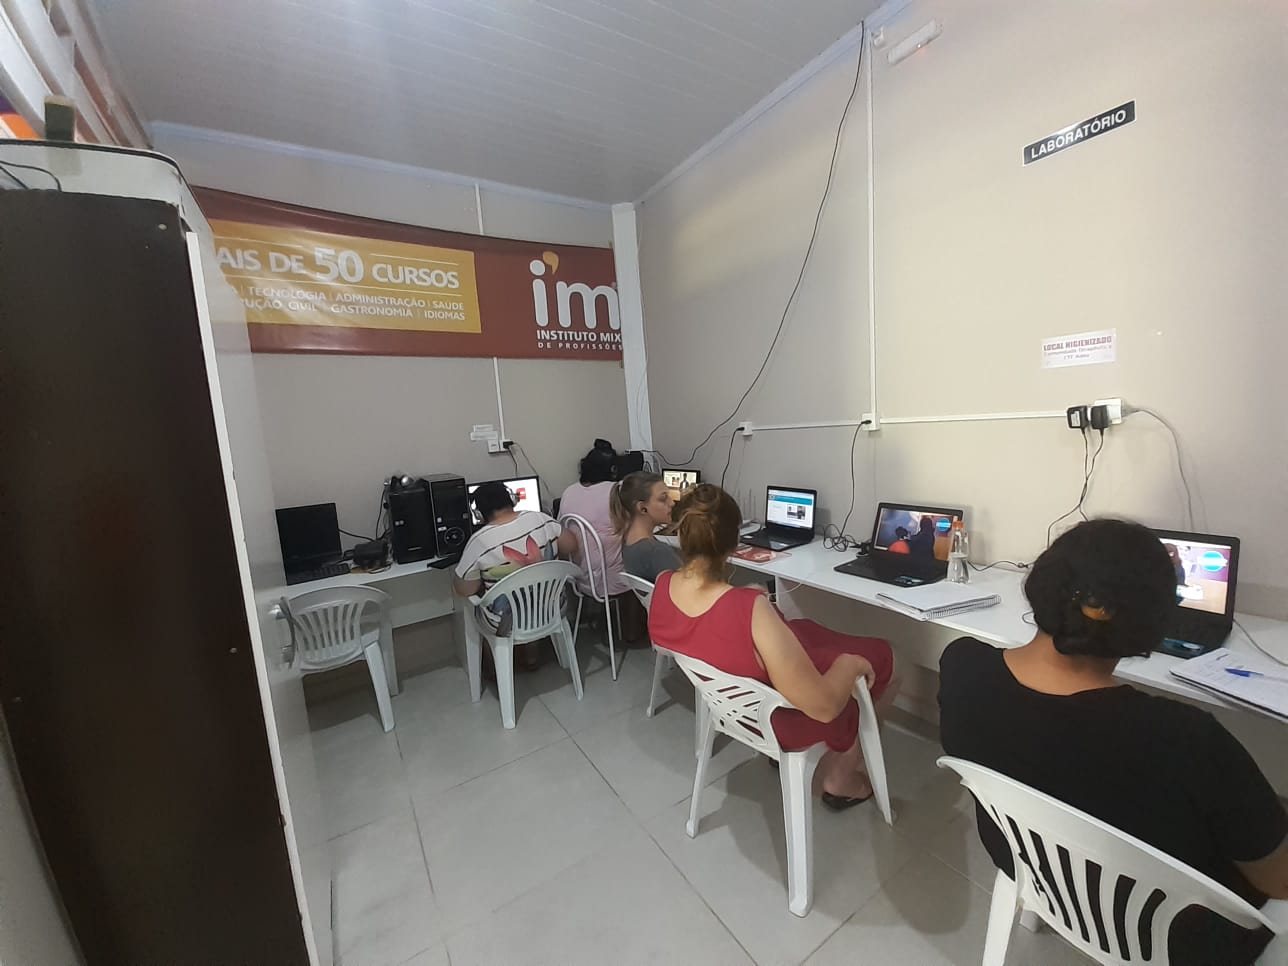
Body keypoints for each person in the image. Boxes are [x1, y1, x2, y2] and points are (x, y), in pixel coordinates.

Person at [938, 519, 1288, 965]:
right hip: (1180, 937)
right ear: (1151, 626)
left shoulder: (961, 664)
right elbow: (1278, 882)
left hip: (1034, 871)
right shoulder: (1187, 739)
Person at [648, 484, 897, 809]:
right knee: (884, 656)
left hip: (730, 709)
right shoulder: (748, 608)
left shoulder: (663, 585)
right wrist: (850, 664)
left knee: (804, 628)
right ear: (734, 543)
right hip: (776, 719)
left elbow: (679, 637)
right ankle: (841, 776)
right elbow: (823, 707)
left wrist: (748, 602)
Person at [454, 480, 577, 668]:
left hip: (507, 623)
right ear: (512, 500)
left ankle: (496, 667)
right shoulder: (541, 519)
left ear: (478, 514)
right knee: (533, 589)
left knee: (478, 601)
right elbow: (572, 545)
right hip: (553, 608)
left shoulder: (478, 541)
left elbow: (464, 590)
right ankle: (532, 655)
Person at [614, 471, 680, 583]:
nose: (672, 503)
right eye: (663, 498)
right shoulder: (656, 552)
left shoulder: (628, 541)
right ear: (642, 508)